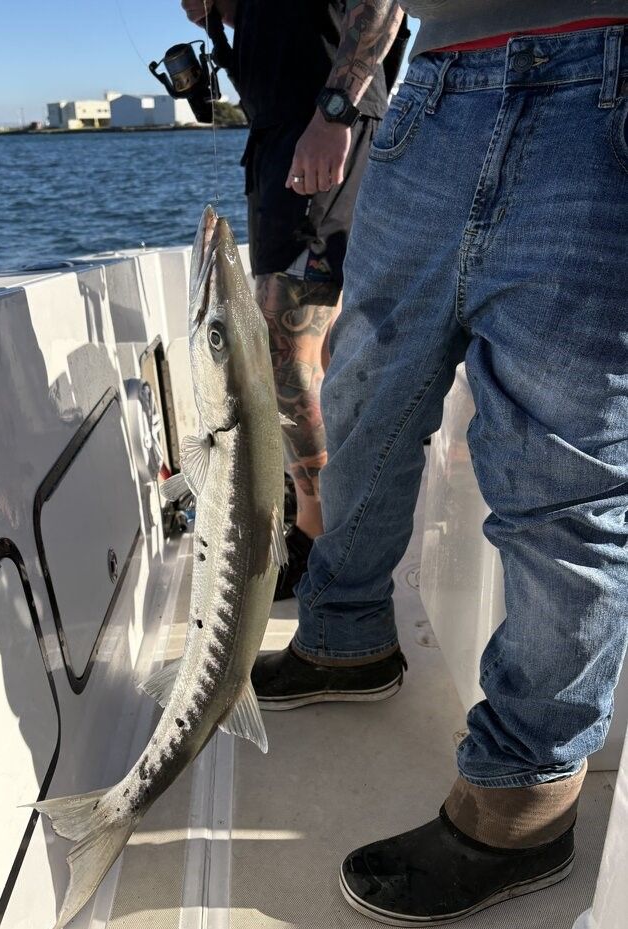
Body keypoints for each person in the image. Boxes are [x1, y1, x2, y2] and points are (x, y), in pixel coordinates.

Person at [252, 2, 628, 924]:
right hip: (436, 89)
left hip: (605, 83)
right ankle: (346, 635)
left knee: (561, 478)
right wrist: (342, 101)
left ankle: (521, 799)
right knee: (361, 400)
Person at [180, 0, 399, 599]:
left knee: (286, 350)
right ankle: (328, 515)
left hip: (322, 129)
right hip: (277, 141)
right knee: (320, 348)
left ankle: (318, 535)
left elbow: (381, 6)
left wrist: (334, 113)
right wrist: (221, 13)